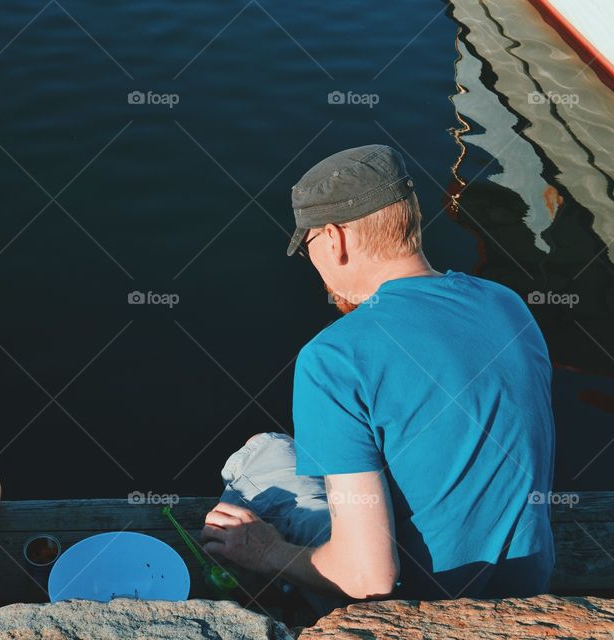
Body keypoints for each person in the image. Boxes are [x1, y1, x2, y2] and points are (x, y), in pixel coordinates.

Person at [201, 145, 555, 612]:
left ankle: (284, 600)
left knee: (261, 456)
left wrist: (266, 552)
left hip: (423, 603)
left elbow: (370, 578)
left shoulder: (332, 357)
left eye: (307, 247)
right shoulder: (506, 304)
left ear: (334, 239)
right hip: (526, 580)